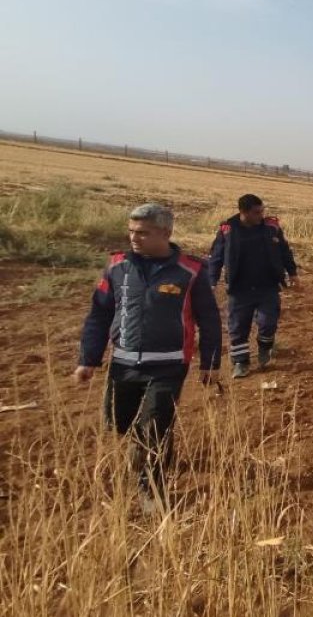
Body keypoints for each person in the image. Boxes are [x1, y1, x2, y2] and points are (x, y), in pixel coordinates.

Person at [74, 203, 222, 510]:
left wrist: (210, 363)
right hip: (124, 362)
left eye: (143, 233)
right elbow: (99, 315)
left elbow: (209, 319)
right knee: (119, 422)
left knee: (155, 426)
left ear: (165, 233)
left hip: (169, 364)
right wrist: (88, 359)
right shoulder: (116, 266)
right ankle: (148, 449)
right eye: (131, 231)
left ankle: (151, 487)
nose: (134, 238)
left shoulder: (190, 271)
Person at [208, 194, 299, 378]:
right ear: (243, 212)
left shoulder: (271, 228)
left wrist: (293, 273)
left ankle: (265, 346)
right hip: (239, 289)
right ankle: (241, 363)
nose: (261, 215)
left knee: (268, 323)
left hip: (268, 287)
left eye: (262, 211)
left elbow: (284, 251)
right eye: (257, 212)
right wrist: (211, 281)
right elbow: (216, 258)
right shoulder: (227, 230)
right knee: (238, 328)